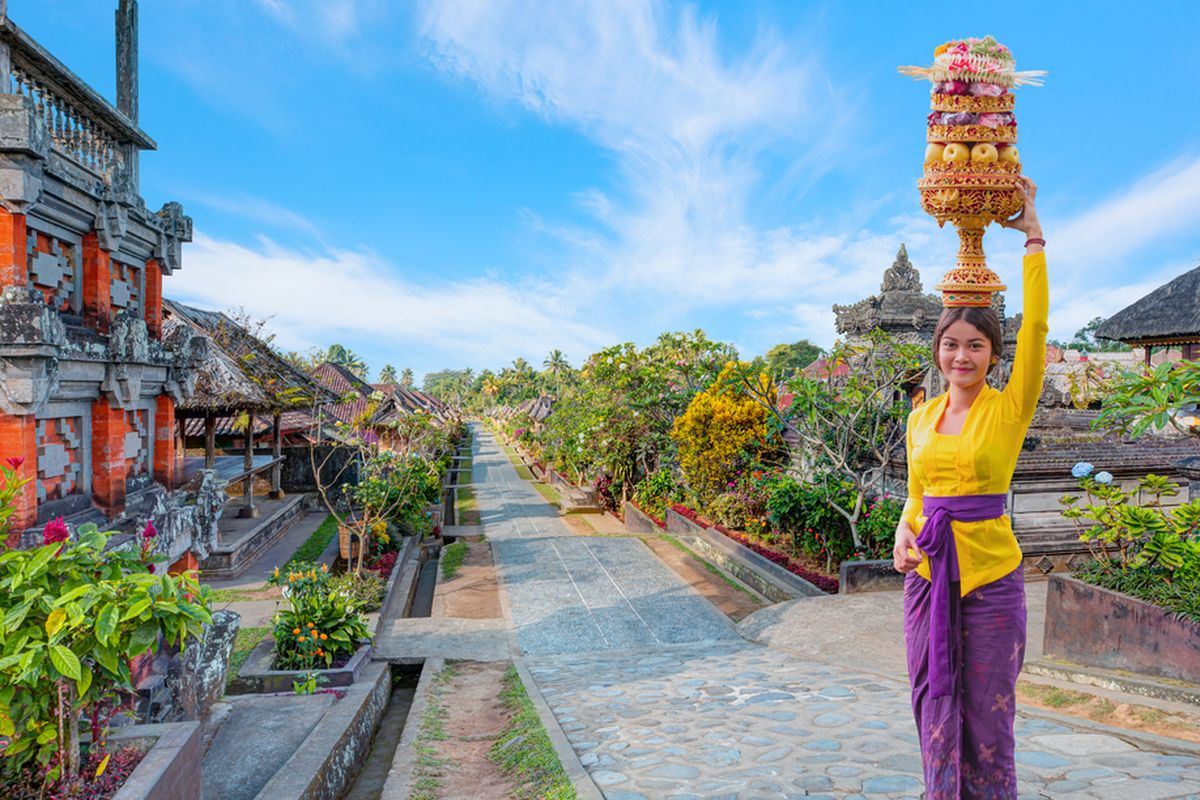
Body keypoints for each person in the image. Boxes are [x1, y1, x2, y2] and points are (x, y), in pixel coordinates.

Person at [892, 176, 1046, 798]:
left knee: (989, 721)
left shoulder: (1008, 409)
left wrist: (1033, 236)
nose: (962, 356)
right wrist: (903, 532)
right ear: (938, 350)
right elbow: (915, 495)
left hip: (990, 583)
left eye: (975, 345)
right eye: (951, 344)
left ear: (992, 353)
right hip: (928, 579)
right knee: (932, 711)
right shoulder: (920, 417)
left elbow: (1035, 330)